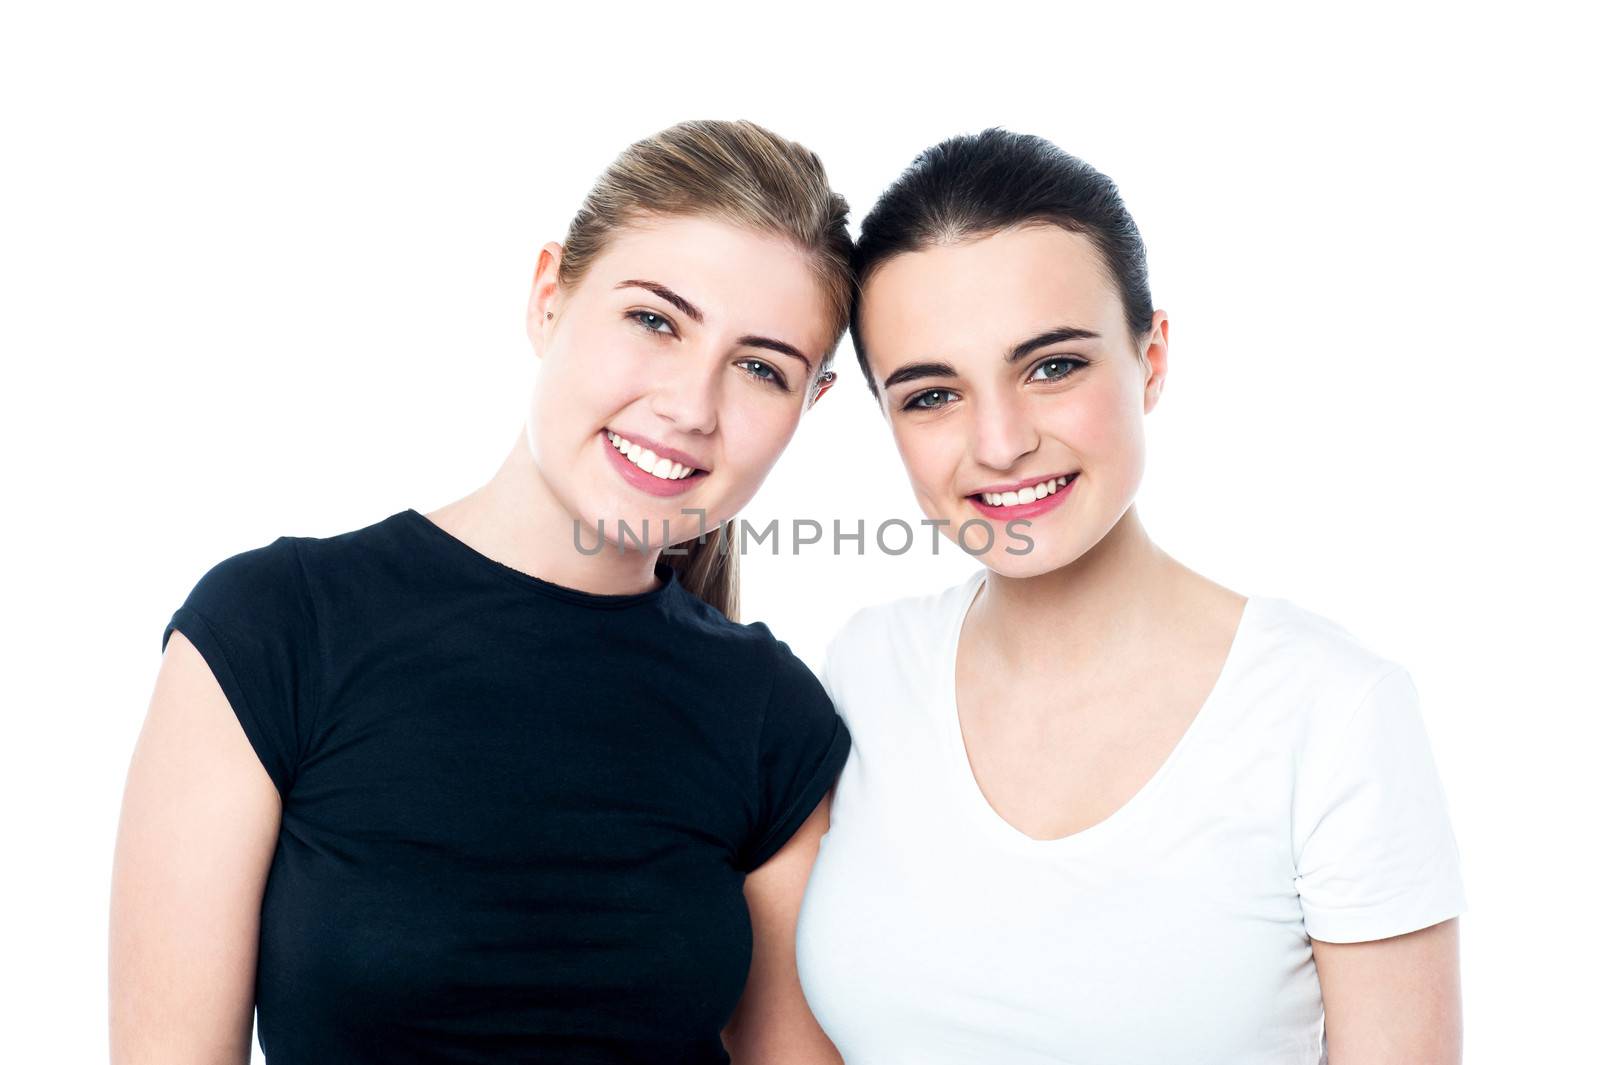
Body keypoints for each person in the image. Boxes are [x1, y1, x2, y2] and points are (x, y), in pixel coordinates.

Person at [110, 119, 853, 1064]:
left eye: (760, 368)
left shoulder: (774, 715)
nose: (691, 407)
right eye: (655, 319)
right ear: (550, 296)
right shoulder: (275, 630)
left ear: (809, 405)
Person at [795, 129, 1466, 1064]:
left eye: (1053, 366)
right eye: (931, 394)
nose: (999, 442)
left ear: (1151, 358)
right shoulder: (864, 669)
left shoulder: (1333, 711)